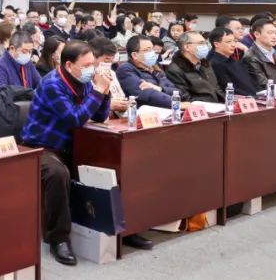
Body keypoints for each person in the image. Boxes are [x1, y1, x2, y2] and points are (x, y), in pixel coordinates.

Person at [22, 41, 123, 266]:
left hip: (73, 145)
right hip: (41, 147)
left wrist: (105, 92)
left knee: (112, 161)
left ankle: (118, 228)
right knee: (58, 173)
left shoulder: (84, 81)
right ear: (69, 65)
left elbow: (99, 116)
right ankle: (58, 239)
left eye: (93, 64)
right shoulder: (52, 84)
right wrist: (98, 91)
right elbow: (75, 119)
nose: (92, 70)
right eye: (86, 65)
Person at [116, 35, 179, 108]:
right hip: (147, 111)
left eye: (152, 49)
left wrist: (159, 88)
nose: (152, 53)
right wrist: (177, 103)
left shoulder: (155, 67)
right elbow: (149, 95)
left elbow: (177, 91)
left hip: (170, 108)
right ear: (134, 55)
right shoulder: (126, 69)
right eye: (147, 50)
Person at [165, 31, 223, 103]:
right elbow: (185, 98)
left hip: (217, 105)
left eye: (205, 43)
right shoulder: (175, 70)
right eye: (201, 43)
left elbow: (216, 88)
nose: (205, 46)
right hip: (200, 107)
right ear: (187, 47)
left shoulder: (205, 64)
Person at [243, 18, 276, 89]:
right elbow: (263, 84)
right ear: (257, 34)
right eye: (270, 33)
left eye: (275, 33)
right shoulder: (251, 57)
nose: (274, 36)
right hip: (267, 93)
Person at [209, 27, 258, 96]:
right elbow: (227, 88)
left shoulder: (233, 60)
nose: (233, 45)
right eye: (228, 42)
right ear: (216, 44)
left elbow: (248, 82)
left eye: (234, 41)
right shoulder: (216, 64)